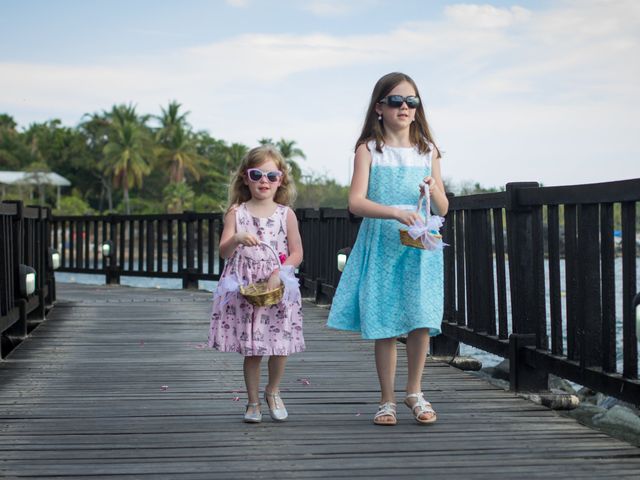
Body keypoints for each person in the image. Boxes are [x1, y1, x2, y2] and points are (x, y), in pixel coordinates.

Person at [327, 72, 448, 426]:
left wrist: (431, 189)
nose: (405, 108)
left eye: (412, 102)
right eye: (396, 101)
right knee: (384, 320)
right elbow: (356, 202)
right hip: (381, 241)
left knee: (421, 315)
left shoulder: (428, 151)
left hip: (418, 242)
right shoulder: (368, 149)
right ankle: (387, 399)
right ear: (380, 107)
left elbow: (442, 207)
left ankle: (415, 391)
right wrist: (394, 211)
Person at [207, 145, 304, 423]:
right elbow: (224, 252)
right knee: (253, 347)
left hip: (277, 284)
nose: (264, 181)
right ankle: (252, 402)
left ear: (280, 179)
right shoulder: (236, 214)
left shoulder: (286, 214)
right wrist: (236, 238)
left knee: (279, 345)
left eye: (271, 176)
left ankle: (273, 390)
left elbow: (297, 252)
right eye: (257, 174)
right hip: (247, 287)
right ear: (245, 178)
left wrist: (281, 271)